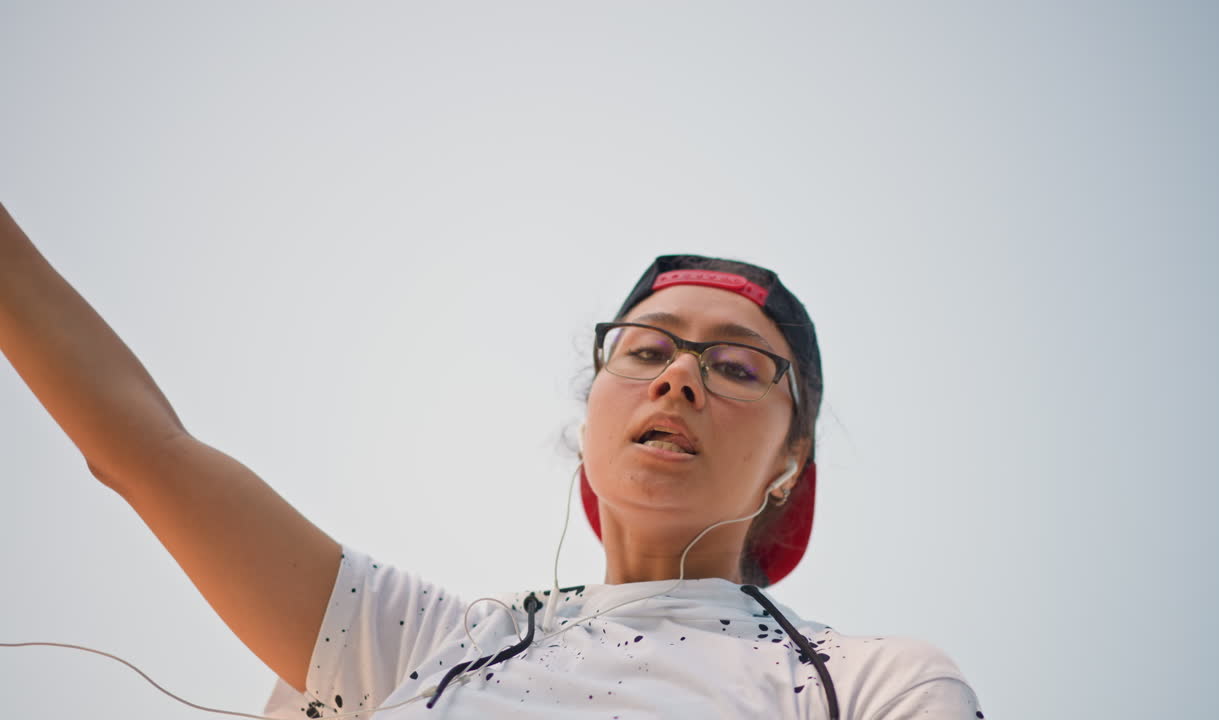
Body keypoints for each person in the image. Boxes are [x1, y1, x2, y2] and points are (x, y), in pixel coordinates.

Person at [1, 203, 983, 719]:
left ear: (788, 462)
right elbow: (142, 450)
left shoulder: (867, 684)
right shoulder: (420, 644)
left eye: (733, 365)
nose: (678, 380)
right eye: (645, 351)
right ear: (588, 412)